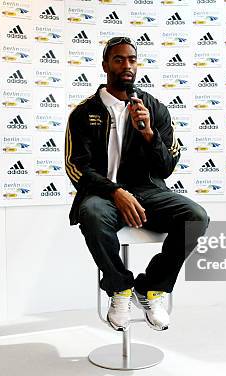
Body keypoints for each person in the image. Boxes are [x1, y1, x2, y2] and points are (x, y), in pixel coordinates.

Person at [64, 36, 210, 331]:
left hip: (147, 192)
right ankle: (119, 289)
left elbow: (166, 168)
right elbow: (76, 167)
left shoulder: (155, 108)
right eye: (119, 59)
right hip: (102, 194)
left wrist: (149, 134)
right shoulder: (84, 112)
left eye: (132, 59)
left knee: (196, 217)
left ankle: (151, 288)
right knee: (92, 214)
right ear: (105, 65)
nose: (127, 65)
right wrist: (115, 192)